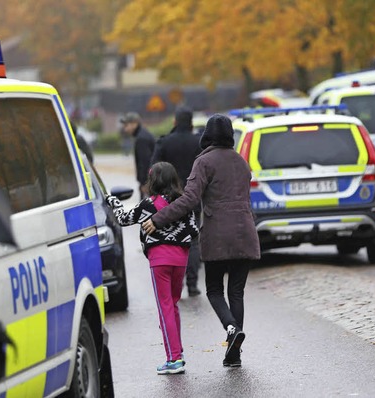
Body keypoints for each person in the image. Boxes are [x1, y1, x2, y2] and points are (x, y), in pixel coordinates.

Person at [142, 114, 261, 368]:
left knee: (214, 290)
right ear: (229, 135)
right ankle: (234, 354)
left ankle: (231, 328)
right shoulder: (241, 162)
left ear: (207, 135)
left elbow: (188, 200)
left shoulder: (204, 162)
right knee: (236, 292)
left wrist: (159, 218)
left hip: (218, 235)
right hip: (246, 233)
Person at [106, 162, 199, 375]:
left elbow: (122, 219)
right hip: (180, 259)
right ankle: (178, 352)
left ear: (153, 181)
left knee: (164, 306)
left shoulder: (147, 204)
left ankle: (174, 359)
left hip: (159, 260)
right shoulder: (182, 204)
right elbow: (193, 229)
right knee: (172, 304)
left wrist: (113, 201)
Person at [151, 105, 203, 297]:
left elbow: (154, 170)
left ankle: (176, 286)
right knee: (193, 241)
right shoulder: (198, 142)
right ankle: (192, 284)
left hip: (168, 201)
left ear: (174, 122)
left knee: (171, 241)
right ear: (190, 123)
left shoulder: (164, 143)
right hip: (192, 198)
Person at [120, 112, 155, 199]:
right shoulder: (142, 135)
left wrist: (144, 183)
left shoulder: (142, 139)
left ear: (134, 124)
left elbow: (145, 162)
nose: (125, 129)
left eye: (126, 125)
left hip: (149, 183)